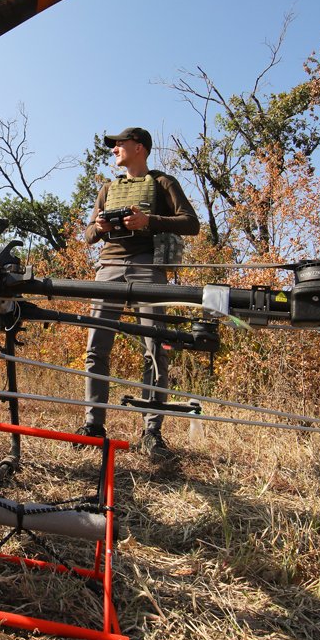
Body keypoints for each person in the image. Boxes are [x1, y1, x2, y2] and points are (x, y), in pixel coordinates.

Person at [79, 127, 200, 461]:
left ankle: (151, 432)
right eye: (114, 144)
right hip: (109, 268)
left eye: (120, 143)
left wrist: (149, 221)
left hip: (149, 267)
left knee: (155, 350)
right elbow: (88, 235)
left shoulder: (163, 183)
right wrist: (100, 229)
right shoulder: (107, 188)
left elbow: (191, 223)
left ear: (140, 148)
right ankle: (93, 426)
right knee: (96, 349)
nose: (115, 148)